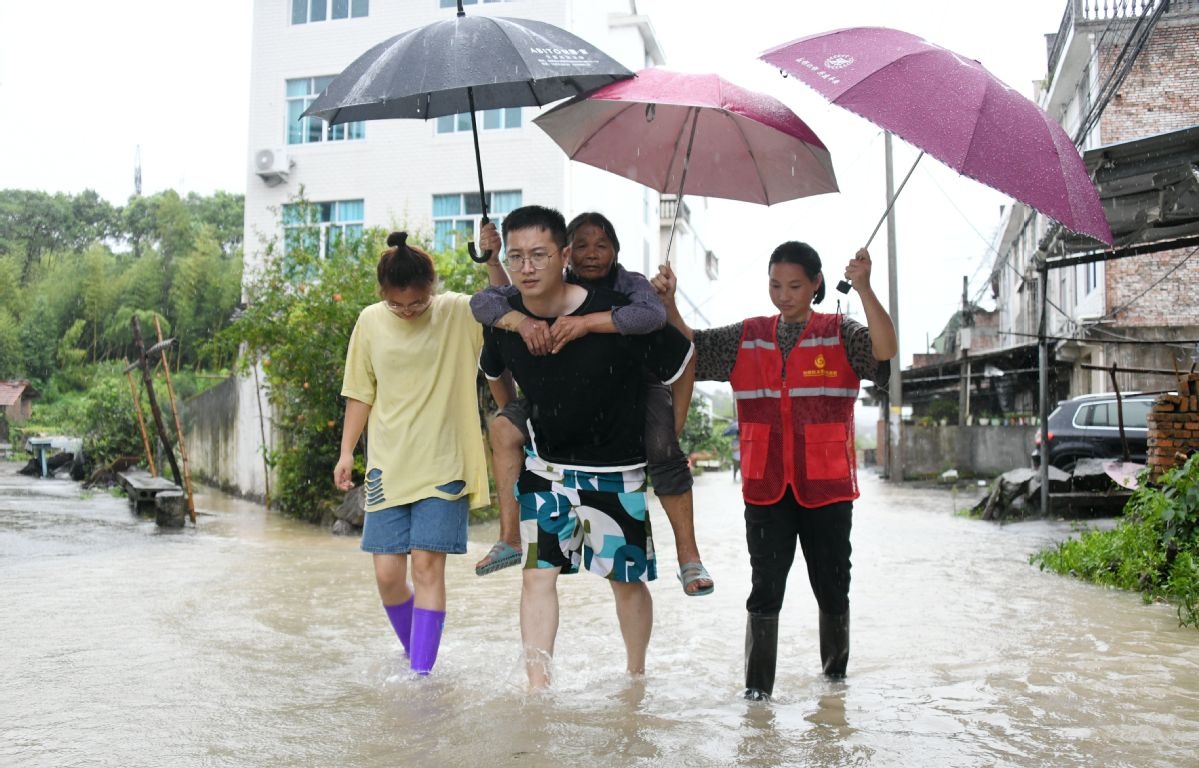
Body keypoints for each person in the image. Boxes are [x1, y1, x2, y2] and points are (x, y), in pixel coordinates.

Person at [652, 241, 896, 699]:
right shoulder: (749, 335)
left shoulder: (840, 333)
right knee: (764, 589)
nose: (783, 295)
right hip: (765, 487)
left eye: (795, 286)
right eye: (775, 284)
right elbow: (692, 347)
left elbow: (885, 352)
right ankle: (757, 695)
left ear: (816, 284)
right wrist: (668, 303)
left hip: (826, 489)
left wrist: (863, 287)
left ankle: (835, 685)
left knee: (832, 587)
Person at [477, 205, 694, 689]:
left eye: (538, 255)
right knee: (537, 576)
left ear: (564, 255)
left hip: (616, 474)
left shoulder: (617, 313)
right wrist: (524, 415)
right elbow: (494, 373)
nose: (527, 267)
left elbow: (682, 360)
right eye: (517, 257)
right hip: (547, 470)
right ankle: (539, 689)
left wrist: (670, 429)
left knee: (626, 583)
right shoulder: (505, 318)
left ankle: (635, 678)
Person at [334, 231, 497, 676]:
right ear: (382, 295)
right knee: (388, 575)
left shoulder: (457, 313)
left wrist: (492, 258)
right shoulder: (369, 321)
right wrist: (347, 452)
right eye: (397, 305)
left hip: (444, 463)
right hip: (389, 464)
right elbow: (360, 393)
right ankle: (416, 655)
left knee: (427, 567)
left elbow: (504, 303)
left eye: (417, 303)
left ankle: (421, 676)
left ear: (433, 287)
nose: (408, 312)